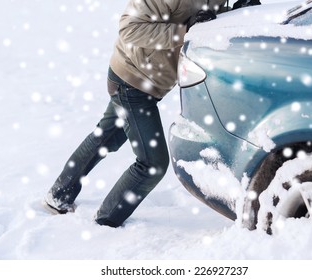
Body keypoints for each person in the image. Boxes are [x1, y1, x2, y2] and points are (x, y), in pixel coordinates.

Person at [43, 0, 227, 228]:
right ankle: (105, 223)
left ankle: (58, 195)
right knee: (152, 164)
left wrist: (238, 11)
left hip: (149, 83)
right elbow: (130, 28)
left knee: (106, 138)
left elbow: (209, 20)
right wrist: (185, 31)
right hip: (131, 81)